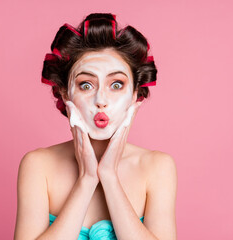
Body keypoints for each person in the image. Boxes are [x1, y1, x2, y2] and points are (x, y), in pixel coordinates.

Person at [14, 13, 177, 240]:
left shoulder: (157, 167)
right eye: (86, 84)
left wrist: (109, 176)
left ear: (135, 95)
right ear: (65, 92)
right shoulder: (38, 166)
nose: (101, 99)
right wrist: (87, 179)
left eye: (117, 84)